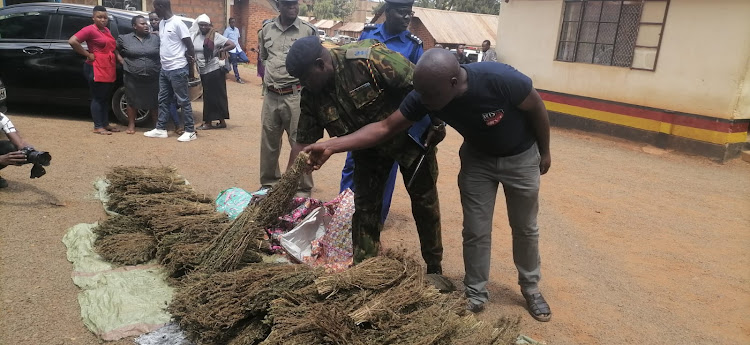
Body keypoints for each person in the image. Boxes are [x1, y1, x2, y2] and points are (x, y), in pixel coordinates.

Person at [303, 49, 552, 322]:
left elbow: (537, 108)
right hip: (478, 160)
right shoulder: (427, 94)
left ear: (454, 83)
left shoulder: (500, 78)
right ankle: (475, 293)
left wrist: (545, 151)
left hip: (520, 158)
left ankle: (531, 289)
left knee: (525, 227)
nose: (426, 103)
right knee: (475, 230)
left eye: (431, 97)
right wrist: (330, 145)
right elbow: (385, 127)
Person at [284, 36, 444, 274]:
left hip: (410, 139)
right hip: (369, 153)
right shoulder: (312, 95)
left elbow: (422, 84)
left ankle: (434, 268)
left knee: (424, 202)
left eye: (305, 77)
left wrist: (437, 123)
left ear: (320, 64)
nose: (303, 84)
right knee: (366, 208)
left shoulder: (368, 59)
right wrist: (286, 185)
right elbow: (302, 143)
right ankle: (364, 269)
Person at [340, 0, 439, 227]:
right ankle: (342, 215)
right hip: (363, 116)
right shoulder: (367, 34)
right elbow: (351, 69)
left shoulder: (414, 45)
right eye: (401, 13)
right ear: (387, 12)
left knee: (386, 172)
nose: (406, 18)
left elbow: (417, 86)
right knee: (352, 165)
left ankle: (375, 222)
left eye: (409, 14)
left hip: (391, 121)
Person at [256, 0, 317, 196]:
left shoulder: (308, 31)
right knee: (269, 142)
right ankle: (269, 184)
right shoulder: (266, 30)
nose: (294, 7)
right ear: (279, 6)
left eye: (295, 4)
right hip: (271, 96)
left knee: (300, 142)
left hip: (296, 96)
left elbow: (317, 62)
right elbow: (264, 57)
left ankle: (302, 189)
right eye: (288, 4)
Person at [144, 0, 197, 142]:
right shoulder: (162, 23)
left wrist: (190, 68)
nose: (155, 11)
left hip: (178, 68)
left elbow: (190, 47)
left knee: (183, 100)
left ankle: (190, 130)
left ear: (162, 7)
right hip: (165, 69)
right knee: (162, 100)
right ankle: (161, 129)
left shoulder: (178, 23)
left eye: (156, 8)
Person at [68, 5, 120, 135]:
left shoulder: (106, 30)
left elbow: (112, 48)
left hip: (108, 66)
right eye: (99, 17)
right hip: (95, 67)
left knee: (105, 97)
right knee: (97, 97)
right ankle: (98, 126)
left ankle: (105, 124)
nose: (103, 20)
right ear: (93, 18)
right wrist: (87, 54)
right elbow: (73, 41)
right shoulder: (89, 30)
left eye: (105, 18)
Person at [115, 15, 160, 134]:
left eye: (146, 23)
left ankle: (156, 125)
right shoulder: (124, 39)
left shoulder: (155, 38)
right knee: (131, 100)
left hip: (153, 74)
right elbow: (114, 49)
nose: (146, 26)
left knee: (154, 100)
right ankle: (131, 124)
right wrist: (121, 60)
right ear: (134, 26)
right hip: (132, 75)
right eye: (142, 24)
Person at [192, 14, 235, 130]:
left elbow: (232, 44)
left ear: (209, 25)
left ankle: (208, 122)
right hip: (202, 70)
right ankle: (221, 122)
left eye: (205, 25)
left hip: (214, 69)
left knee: (212, 96)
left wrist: (221, 50)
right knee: (214, 96)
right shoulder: (195, 35)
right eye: (201, 25)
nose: (203, 27)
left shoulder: (215, 36)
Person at [149, 11, 183, 134]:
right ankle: (159, 126)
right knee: (162, 99)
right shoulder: (149, 35)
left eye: (156, 19)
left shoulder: (166, 32)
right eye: (151, 20)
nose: (154, 22)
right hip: (156, 71)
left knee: (172, 99)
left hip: (171, 68)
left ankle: (177, 125)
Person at [0, 113, 46, 188]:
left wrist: (31, 154)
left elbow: (20, 143)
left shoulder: (1, 118)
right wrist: (1, 159)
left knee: (11, 147)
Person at [223, 17, 245, 84]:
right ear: (229, 23)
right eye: (232, 22)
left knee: (245, 59)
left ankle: (231, 60)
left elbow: (238, 38)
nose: (233, 23)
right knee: (235, 64)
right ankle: (238, 78)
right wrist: (226, 49)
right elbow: (224, 40)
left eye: (234, 22)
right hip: (231, 49)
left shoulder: (237, 30)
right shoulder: (227, 30)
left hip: (238, 48)